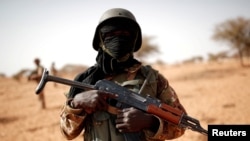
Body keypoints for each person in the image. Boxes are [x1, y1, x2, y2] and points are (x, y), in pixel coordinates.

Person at [60, 8, 187, 141]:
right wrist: (76, 104)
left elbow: (181, 125)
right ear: (101, 39)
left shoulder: (153, 79)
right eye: (111, 34)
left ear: (134, 40)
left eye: (125, 34)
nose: (119, 39)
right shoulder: (84, 81)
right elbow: (66, 132)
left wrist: (150, 122)